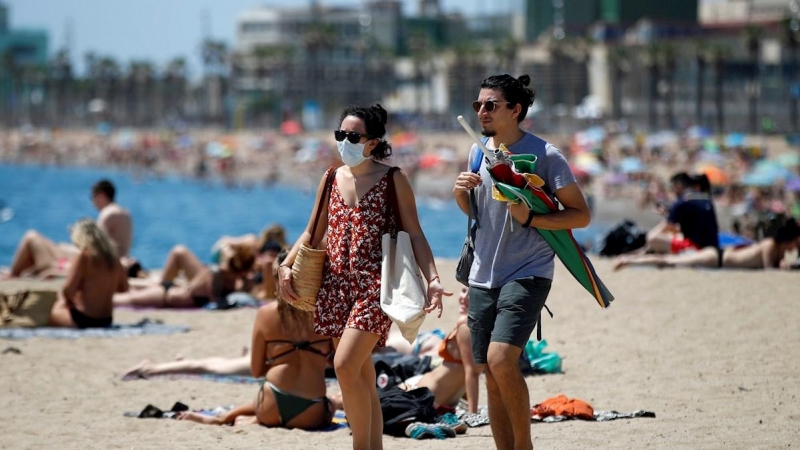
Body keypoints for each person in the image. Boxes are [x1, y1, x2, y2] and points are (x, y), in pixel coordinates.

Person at [279, 104, 449, 450]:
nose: (344, 141)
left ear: (372, 142)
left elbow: (415, 233)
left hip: (376, 286)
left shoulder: (393, 179)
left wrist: (432, 278)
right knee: (361, 374)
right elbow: (312, 232)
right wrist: (286, 264)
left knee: (344, 366)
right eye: (340, 135)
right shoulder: (330, 178)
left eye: (353, 136)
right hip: (336, 286)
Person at [452, 74, 590, 450]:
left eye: (490, 105)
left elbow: (580, 215)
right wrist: (460, 194)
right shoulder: (477, 150)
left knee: (500, 359)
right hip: (483, 272)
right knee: (491, 375)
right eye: (478, 105)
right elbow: (477, 214)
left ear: (515, 110)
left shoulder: (545, 155)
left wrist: (533, 219)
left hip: (528, 270)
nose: (482, 111)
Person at [175, 253, 335, 429]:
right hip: (312, 413)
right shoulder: (325, 312)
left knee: (272, 391)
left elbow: (257, 371)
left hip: (271, 405)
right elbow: (338, 363)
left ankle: (224, 418)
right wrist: (314, 358)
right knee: (332, 404)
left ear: (277, 279)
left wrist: (281, 360)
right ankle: (244, 419)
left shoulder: (265, 314)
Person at [3, 179, 133, 279]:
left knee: (32, 237)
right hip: (110, 264)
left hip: (101, 265)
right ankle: (18, 272)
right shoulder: (125, 213)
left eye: (92, 197)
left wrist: (78, 235)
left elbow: (96, 247)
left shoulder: (108, 213)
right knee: (59, 246)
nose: (92, 202)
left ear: (100, 195)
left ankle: (13, 273)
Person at [614, 218, 800, 271]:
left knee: (671, 262)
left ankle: (631, 259)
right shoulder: (769, 245)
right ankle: (629, 260)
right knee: (669, 261)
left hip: (718, 258)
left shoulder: (778, 251)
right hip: (715, 257)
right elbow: (769, 270)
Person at [113, 243, 254, 308]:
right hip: (165, 296)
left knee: (126, 295)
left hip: (172, 292)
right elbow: (216, 301)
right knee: (120, 299)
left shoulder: (226, 277)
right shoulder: (216, 274)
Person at [48, 218, 129, 328]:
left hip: (84, 319)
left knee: (57, 306)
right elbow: (124, 288)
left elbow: (68, 292)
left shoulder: (84, 256)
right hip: (106, 320)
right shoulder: (113, 258)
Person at [643, 173, 720, 257]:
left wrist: (667, 218)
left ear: (679, 185)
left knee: (653, 239)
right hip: (713, 248)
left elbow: (658, 232)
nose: (672, 191)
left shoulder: (682, 201)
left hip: (695, 248)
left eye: (672, 187)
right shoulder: (706, 199)